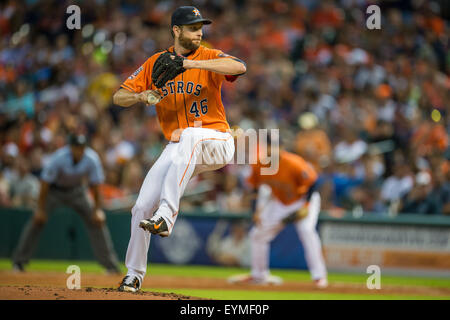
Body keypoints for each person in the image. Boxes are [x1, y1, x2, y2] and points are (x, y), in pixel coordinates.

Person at [113, 6, 246, 292]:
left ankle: (166, 215)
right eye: (193, 27)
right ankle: (133, 275)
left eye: (201, 26)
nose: (199, 31)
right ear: (176, 30)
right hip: (180, 148)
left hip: (217, 141)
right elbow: (118, 96)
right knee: (140, 206)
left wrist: (191, 65)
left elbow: (239, 67)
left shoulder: (209, 56)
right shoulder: (156, 63)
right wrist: (141, 95)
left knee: (190, 136)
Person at [12, 134, 121, 273]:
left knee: (97, 222)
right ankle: (19, 262)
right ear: (70, 147)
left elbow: (96, 186)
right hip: (54, 192)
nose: (79, 150)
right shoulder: (59, 157)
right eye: (76, 147)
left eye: (81, 147)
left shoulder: (91, 158)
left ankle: (111, 266)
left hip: (78, 191)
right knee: (36, 221)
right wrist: (40, 209)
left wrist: (97, 210)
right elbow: (45, 184)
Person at [228, 138, 328, 288]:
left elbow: (315, 182)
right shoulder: (259, 164)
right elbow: (254, 188)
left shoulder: (294, 162)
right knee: (258, 234)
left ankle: (319, 277)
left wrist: (306, 206)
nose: (270, 150)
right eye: (267, 146)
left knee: (306, 231)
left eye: (273, 146)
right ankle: (259, 275)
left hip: (303, 200)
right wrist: (255, 211)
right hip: (280, 203)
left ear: (281, 147)